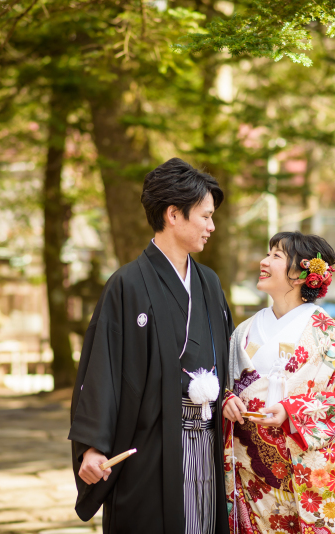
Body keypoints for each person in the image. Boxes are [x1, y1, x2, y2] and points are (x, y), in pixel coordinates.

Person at [68, 158, 234, 534]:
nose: (212, 226)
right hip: (148, 449)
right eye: (205, 216)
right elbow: (101, 372)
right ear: (173, 214)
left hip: (206, 443)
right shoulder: (126, 285)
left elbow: (227, 357)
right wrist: (92, 446)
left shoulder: (209, 282)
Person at [222, 232, 335, 534]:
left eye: (276, 255)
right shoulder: (244, 331)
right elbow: (222, 381)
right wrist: (225, 399)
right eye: (268, 253)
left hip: (302, 470)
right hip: (250, 473)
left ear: (302, 274)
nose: (264, 261)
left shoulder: (327, 333)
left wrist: (292, 410)